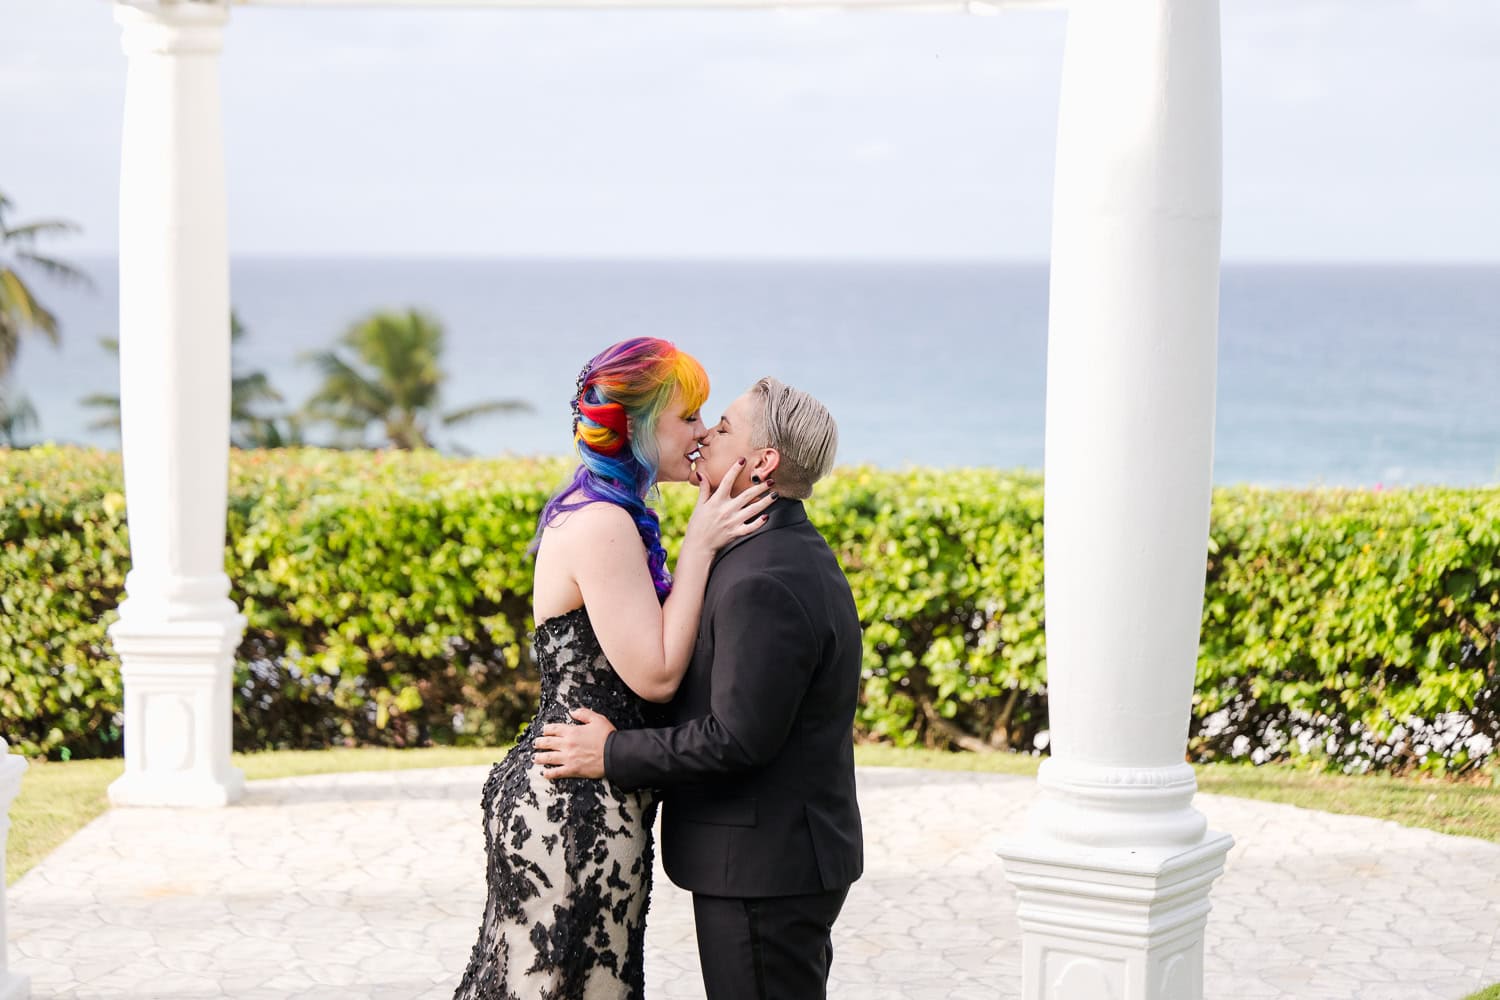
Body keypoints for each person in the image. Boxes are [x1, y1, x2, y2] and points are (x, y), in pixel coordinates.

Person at [451, 338, 776, 1000]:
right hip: (574, 813)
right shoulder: (603, 523)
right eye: (688, 417)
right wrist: (701, 545)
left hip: (589, 798)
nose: (700, 433)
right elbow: (654, 674)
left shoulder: (608, 510)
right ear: (638, 427)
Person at [536, 377, 864, 1000]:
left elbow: (735, 739)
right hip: (777, 859)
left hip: (767, 868)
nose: (706, 434)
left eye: (724, 428)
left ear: (762, 463)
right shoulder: (767, 551)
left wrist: (609, 754)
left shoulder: (762, 578)